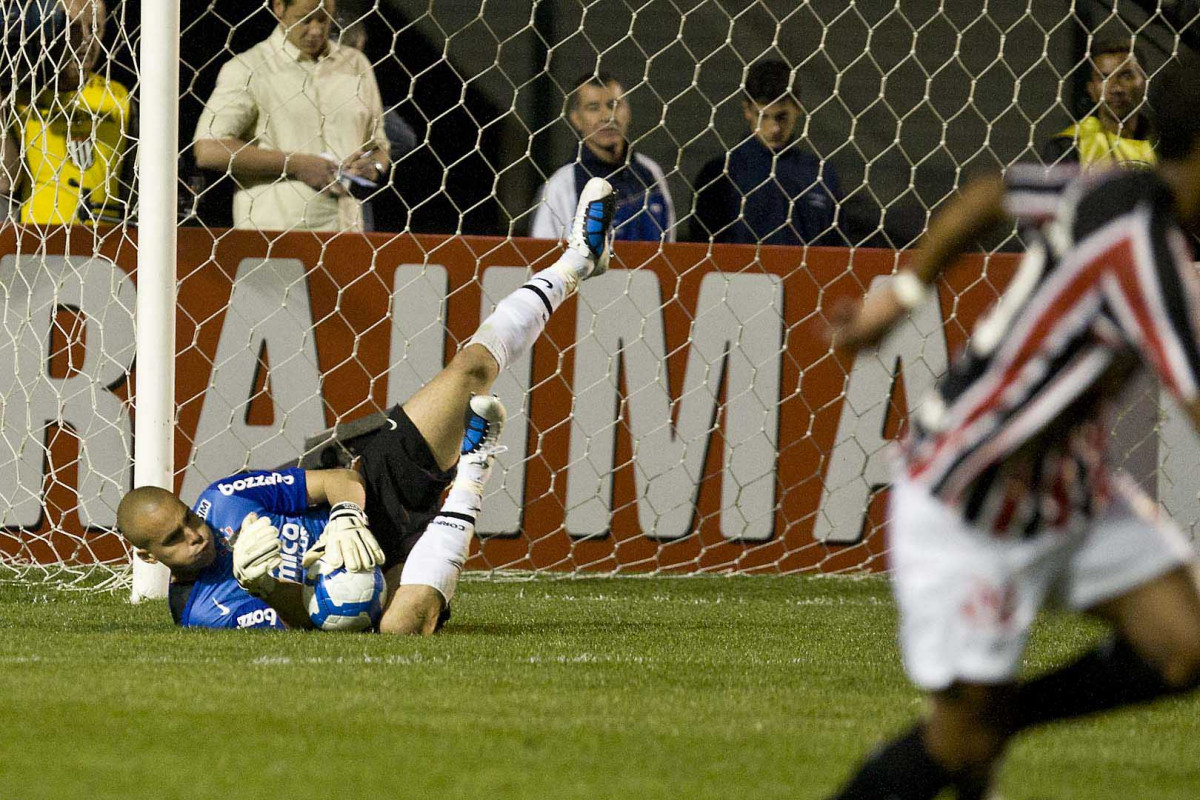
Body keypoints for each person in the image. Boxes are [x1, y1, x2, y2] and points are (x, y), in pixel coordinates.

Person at [825, 57, 1200, 800]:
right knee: (958, 746)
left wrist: (899, 297)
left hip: (1070, 496)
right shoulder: (1144, 257)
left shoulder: (1113, 191)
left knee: (1184, 646)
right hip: (967, 504)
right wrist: (897, 299)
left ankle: (999, 720)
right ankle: (977, 729)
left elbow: (992, 194)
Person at [116, 178, 617, 634]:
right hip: (378, 586)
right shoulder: (205, 612)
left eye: (187, 519)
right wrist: (268, 588)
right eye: (175, 539)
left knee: (468, 372)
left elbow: (336, 479)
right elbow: (309, 635)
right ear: (148, 556)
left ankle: (576, 262)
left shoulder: (224, 500)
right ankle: (474, 470)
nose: (195, 536)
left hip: (374, 500)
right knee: (400, 629)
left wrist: (345, 519)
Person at [192, 0, 389, 232]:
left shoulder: (356, 65)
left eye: (324, 19)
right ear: (279, 8)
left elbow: (379, 145)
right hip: (275, 240)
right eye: (305, 19)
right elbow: (208, 150)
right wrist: (295, 164)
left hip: (348, 234)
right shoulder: (249, 68)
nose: (316, 29)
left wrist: (373, 166)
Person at [0, 0, 134, 225]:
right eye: (72, 27)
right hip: (36, 236)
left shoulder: (119, 97)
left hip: (108, 239)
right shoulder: (21, 94)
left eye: (94, 28)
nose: (85, 40)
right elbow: (5, 181)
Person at [690, 59, 840, 246]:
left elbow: (836, 250)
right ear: (748, 110)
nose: (774, 128)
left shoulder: (821, 175)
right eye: (764, 116)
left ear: (798, 108)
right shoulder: (721, 174)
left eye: (782, 117)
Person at [530, 71, 675, 242]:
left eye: (614, 105)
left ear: (627, 111)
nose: (607, 116)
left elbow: (669, 243)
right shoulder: (561, 186)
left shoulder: (650, 172)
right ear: (576, 119)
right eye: (593, 108)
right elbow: (544, 256)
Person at [1041, 35, 1155, 168]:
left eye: (1126, 76)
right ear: (1091, 89)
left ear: (1145, 84)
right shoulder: (1068, 146)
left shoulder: (1168, 145)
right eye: (1104, 78)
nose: (1116, 88)